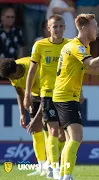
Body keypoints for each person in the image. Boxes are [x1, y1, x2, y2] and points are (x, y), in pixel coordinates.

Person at [52, 13, 99, 180]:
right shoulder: (76, 46)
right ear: (84, 28)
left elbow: (88, 68)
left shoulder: (82, 47)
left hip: (66, 96)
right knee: (76, 136)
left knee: (71, 138)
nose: (97, 28)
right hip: (65, 96)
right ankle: (66, 175)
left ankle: (64, 174)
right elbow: (92, 63)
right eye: (94, 26)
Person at [24, 14, 69, 179]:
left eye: (60, 26)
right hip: (48, 94)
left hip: (66, 94)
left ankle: (51, 162)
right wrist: (27, 93)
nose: (57, 29)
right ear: (48, 28)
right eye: (54, 26)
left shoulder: (70, 45)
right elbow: (32, 71)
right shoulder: (40, 45)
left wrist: (81, 92)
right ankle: (55, 168)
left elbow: (76, 72)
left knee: (63, 135)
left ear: (65, 27)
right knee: (52, 130)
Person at [0, 57, 46, 176]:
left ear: (17, 70)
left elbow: (46, 97)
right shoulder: (13, 75)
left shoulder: (34, 67)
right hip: (35, 95)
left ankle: (52, 165)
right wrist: (21, 114)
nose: (12, 80)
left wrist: (36, 119)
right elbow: (20, 93)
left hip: (49, 94)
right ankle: (42, 167)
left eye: (11, 77)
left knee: (49, 129)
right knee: (35, 131)